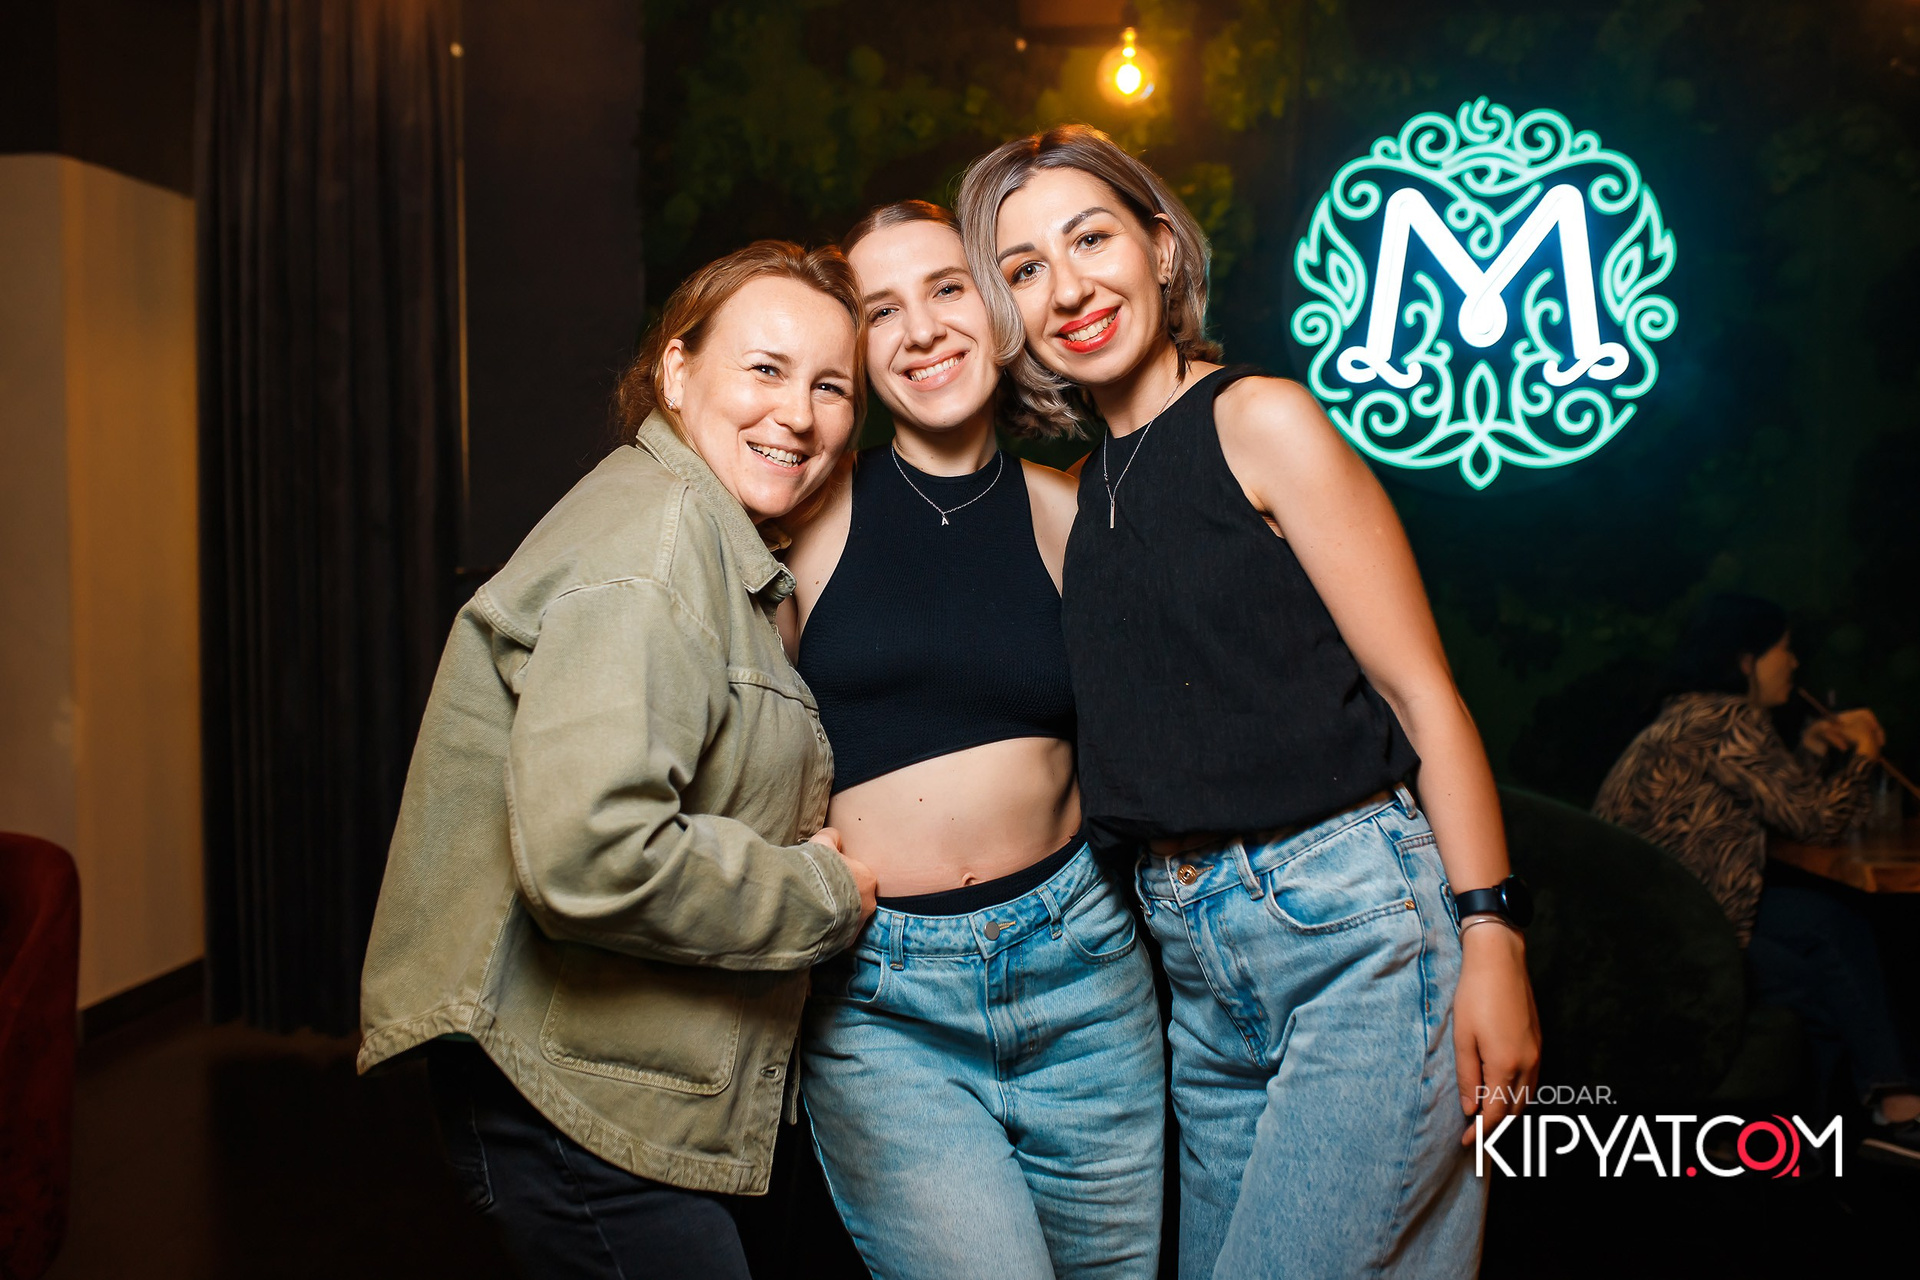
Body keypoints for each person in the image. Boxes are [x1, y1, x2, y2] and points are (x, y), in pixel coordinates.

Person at [958, 125, 1541, 1280]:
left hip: (1356, 933)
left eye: (1091, 239)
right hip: (1197, 974)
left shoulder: (1258, 419)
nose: (1067, 287)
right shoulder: (1078, 495)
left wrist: (1493, 935)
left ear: (1162, 249)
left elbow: (1419, 692)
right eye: (1024, 267)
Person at [356, 241, 882, 1278]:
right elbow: (595, 853)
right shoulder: (658, 542)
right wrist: (822, 895)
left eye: (831, 387)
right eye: (765, 368)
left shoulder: (703, 532)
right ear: (676, 370)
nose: (798, 413)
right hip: (573, 1102)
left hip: (612, 1083)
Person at [780, 200, 1165, 1280]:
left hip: (1084, 978)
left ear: (997, 308)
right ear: (855, 350)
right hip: (883, 1000)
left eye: (947, 288)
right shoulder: (806, 514)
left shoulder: (1072, 510)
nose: (922, 330)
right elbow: (737, 734)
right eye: (880, 310)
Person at [1595, 593, 1920, 1163]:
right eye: (1783, 649)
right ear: (1746, 660)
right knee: (1822, 974)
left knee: (1826, 928)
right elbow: (1816, 822)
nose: (1793, 663)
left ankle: (1883, 1107)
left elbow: (1780, 803)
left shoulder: (1692, 715)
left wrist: (1809, 753)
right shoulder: (1725, 718)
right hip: (1677, 940)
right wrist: (1865, 753)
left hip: (1665, 919)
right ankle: (1813, 1141)